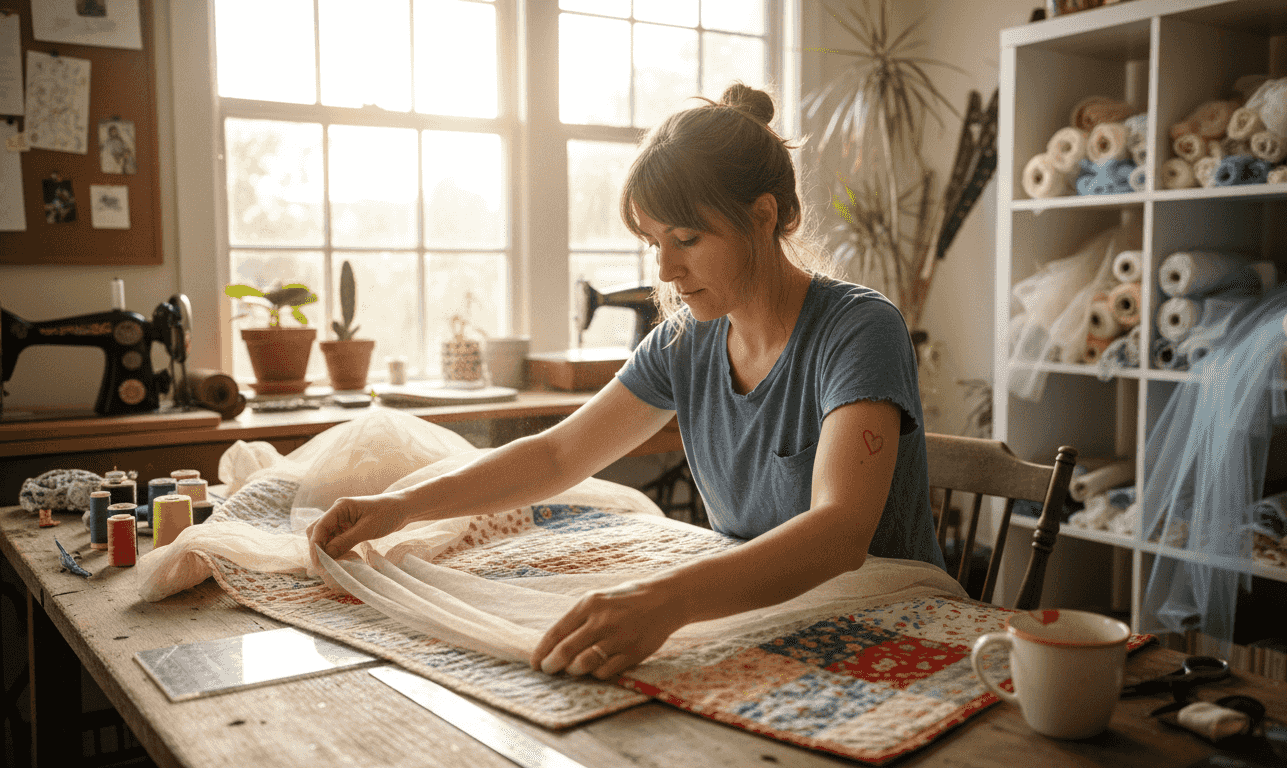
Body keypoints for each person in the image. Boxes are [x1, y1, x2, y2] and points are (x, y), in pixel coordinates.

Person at [309, 83, 944, 681]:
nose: (666, 268)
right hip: (757, 609)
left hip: (891, 613)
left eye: (687, 239)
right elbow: (560, 454)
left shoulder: (860, 330)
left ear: (763, 217)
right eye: (654, 242)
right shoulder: (687, 338)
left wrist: (665, 601)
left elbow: (839, 532)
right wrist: (401, 507)